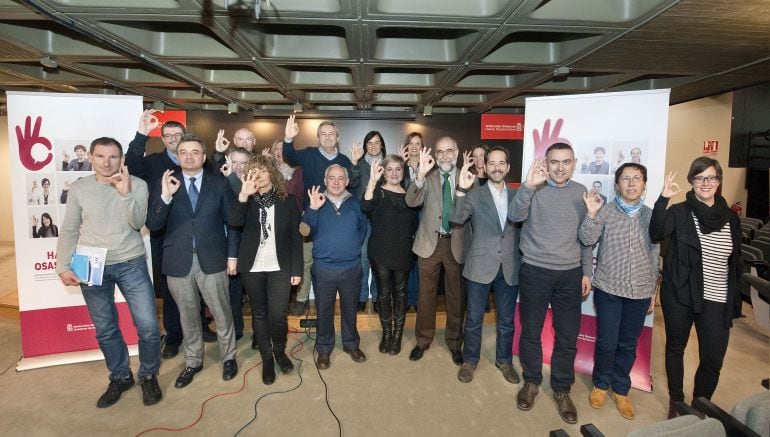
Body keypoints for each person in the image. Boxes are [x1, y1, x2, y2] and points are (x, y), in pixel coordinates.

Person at [56, 137, 162, 408]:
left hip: (131, 261)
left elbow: (139, 223)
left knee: (148, 326)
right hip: (91, 264)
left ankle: (148, 375)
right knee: (105, 328)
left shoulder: (137, 184)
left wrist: (125, 193)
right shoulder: (79, 189)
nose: (106, 162)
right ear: (90, 157)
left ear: (122, 159)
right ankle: (119, 376)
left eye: (113, 157)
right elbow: (69, 229)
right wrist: (63, 265)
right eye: (100, 156)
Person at [649, 157, 741, 419]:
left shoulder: (731, 219)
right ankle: (677, 402)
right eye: (699, 178)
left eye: (711, 177)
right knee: (676, 347)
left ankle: (700, 405)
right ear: (692, 181)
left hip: (717, 297)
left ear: (719, 181)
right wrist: (663, 199)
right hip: (680, 294)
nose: (705, 183)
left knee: (713, 359)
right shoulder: (679, 212)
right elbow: (655, 233)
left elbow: (735, 260)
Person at [509, 142, 593, 424]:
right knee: (531, 331)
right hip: (535, 270)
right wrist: (528, 187)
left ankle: (561, 389)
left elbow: (586, 239)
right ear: (546, 162)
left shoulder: (582, 192)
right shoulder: (534, 186)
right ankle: (531, 381)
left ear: (574, 162)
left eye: (566, 162)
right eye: (554, 162)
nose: (560, 167)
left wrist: (586, 272)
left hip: (569, 274)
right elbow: (515, 216)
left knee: (567, 335)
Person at [146, 134, 239, 388]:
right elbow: (153, 223)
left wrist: (232, 255)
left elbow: (233, 221)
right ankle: (193, 361)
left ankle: (229, 357)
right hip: (178, 260)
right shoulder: (166, 181)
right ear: (177, 155)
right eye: (183, 151)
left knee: (221, 313)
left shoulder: (218, 183)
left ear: (203, 156)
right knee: (187, 316)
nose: (189, 156)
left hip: (213, 258)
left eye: (195, 152)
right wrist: (165, 196)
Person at [125, 110, 216, 360]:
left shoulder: (200, 163)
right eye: (168, 135)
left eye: (178, 135)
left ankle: (200, 328)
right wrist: (141, 134)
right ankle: (174, 337)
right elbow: (131, 165)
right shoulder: (153, 163)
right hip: (166, 236)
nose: (173, 139)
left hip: (199, 237)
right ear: (163, 139)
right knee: (171, 291)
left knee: (198, 286)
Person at [579, 163, 659, 420]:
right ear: (617, 185)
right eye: (626, 179)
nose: (632, 183)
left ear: (644, 184)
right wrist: (591, 215)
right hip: (609, 289)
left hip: (640, 291)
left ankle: (621, 389)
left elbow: (655, 254)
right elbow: (586, 239)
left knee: (628, 343)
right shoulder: (606, 211)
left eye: (637, 178)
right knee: (607, 341)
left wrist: (654, 289)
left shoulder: (650, 215)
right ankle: (601, 385)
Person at [229, 155, 302, 385]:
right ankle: (267, 358)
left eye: (262, 171)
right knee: (259, 314)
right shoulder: (245, 200)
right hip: (252, 266)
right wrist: (243, 194)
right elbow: (234, 222)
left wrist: (297, 268)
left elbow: (295, 238)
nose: (258, 175)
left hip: (280, 266)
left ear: (272, 173)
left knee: (278, 315)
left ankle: (279, 352)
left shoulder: (288, 201)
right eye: (253, 171)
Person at [451, 146, 521, 384]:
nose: (497, 168)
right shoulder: (474, 194)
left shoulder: (518, 196)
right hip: (480, 265)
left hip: (510, 265)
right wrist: (460, 188)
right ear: (485, 166)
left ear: (508, 167)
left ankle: (504, 360)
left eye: (501, 163)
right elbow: (456, 219)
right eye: (492, 163)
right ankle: (470, 360)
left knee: (506, 320)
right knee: (473, 319)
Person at [282, 115, 358, 315]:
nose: (327, 137)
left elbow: (354, 187)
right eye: (323, 134)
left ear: (337, 137)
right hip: (312, 213)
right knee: (307, 259)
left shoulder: (344, 161)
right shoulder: (308, 154)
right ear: (318, 137)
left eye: (331, 134)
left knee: (328, 260)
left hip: (336, 217)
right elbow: (289, 156)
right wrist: (288, 139)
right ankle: (301, 298)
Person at [406, 137, 471, 366]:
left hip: (457, 244)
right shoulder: (428, 176)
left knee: (456, 297)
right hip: (429, 245)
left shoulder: (468, 177)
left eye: (449, 151)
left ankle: (455, 343)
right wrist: (420, 176)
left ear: (457, 152)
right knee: (426, 296)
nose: (444, 156)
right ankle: (423, 340)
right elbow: (411, 201)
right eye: (440, 152)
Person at [303, 165, 367, 370]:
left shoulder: (356, 204)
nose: (337, 182)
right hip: (324, 269)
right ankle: (324, 348)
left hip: (351, 268)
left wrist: (349, 250)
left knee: (350, 310)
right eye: (332, 178)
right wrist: (312, 209)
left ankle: (351, 344)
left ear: (347, 181)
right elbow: (304, 231)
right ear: (325, 180)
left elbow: (362, 231)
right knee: (324, 311)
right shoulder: (315, 202)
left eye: (341, 178)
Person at [362, 155, 419, 355]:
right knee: (384, 295)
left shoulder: (411, 195)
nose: (394, 173)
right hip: (380, 252)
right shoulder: (377, 192)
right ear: (383, 172)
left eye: (398, 169)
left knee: (401, 295)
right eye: (390, 169)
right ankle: (387, 334)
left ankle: (397, 336)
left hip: (403, 252)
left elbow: (415, 224)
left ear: (403, 172)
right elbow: (366, 206)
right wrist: (371, 181)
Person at [350, 131, 386, 313]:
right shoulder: (360, 164)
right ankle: (362, 297)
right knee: (363, 259)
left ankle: (378, 296)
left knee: (379, 260)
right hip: (363, 218)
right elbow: (352, 184)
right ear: (365, 146)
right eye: (370, 143)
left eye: (377, 142)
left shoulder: (388, 164)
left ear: (382, 145)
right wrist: (355, 163)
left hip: (382, 220)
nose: (373, 146)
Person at [400, 132, 424, 313]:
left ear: (422, 147)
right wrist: (400, 164)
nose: (414, 147)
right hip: (405, 218)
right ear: (406, 146)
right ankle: (406, 298)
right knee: (406, 260)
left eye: (418, 144)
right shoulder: (400, 167)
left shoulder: (429, 167)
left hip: (423, 218)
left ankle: (416, 298)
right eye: (411, 143)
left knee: (419, 261)